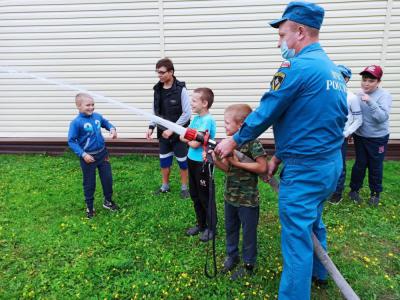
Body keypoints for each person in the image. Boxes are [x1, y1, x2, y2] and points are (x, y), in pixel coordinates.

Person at [214, 2, 347, 299]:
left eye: (282, 34)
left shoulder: (297, 66)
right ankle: (320, 273)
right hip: (329, 165)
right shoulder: (332, 70)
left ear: (300, 32)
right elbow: (309, 122)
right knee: (314, 220)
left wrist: (234, 141)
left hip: (306, 170)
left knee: (297, 238)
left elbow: (267, 110)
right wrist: (277, 156)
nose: (279, 42)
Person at [212, 104, 267, 280]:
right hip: (230, 197)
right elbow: (228, 169)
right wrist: (214, 160)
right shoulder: (229, 145)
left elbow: (262, 167)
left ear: (241, 124)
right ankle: (232, 256)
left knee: (249, 233)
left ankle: (249, 264)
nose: (225, 127)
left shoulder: (253, 143)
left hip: (248, 201)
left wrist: (238, 163)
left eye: (227, 123)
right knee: (231, 228)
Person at [68, 93, 119, 219]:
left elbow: (106, 123)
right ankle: (90, 207)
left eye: (93, 105)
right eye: (88, 105)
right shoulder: (76, 123)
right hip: (88, 159)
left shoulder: (97, 116)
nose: (91, 107)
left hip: (103, 154)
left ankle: (108, 201)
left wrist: (112, 129)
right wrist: (83, 154)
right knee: (89, 183)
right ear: (78, 106)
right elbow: (71, 141)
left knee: (107, 179)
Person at [146, 58, 191, 199]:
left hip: (180, 134)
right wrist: (151, 126)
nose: (159, 75)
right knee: (164, 161)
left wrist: (173, 129)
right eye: (157, 72)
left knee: (183, 162)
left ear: (171, 72)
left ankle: (185, 188)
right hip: (163, 134)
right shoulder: (157, 89)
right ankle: (165, 186)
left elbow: (187, 113)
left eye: (162, 72)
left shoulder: (181, 89)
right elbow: (155, 110)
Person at [348, 65, 392, 206]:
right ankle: (354, 190)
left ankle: (375, 193)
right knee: (360, 164)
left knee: (375, 166)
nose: (366, 83)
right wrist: (350, 131)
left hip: (378, 138)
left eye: (371, 81)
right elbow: (354, 116)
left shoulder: (385, 96)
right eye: (364, 79)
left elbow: (381, 118)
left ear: (378, 82)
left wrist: (370, 101)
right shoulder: (357, 94)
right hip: (360, 136)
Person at [181, 88, 217, 242]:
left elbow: (195, 143)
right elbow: (184, 136)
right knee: (195, 195)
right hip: (191, 160)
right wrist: (190, 139)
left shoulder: (208, 120)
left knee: (205, 196)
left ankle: (211, 228)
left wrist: (189, 139)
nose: (191, 103)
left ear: (205, 103)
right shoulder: (195, 120)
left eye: (194, 100)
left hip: (203, 163)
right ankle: (201, 224)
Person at [329, 65, 363, 204]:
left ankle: (337, 192)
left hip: (340, 138)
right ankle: (324, 190)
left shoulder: (351, 97)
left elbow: (358, 119)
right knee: (324, 163)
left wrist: (346, 133)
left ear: (347, 79)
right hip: (325, 136)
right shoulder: (326, 93)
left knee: (339, 165)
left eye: (342, 76)